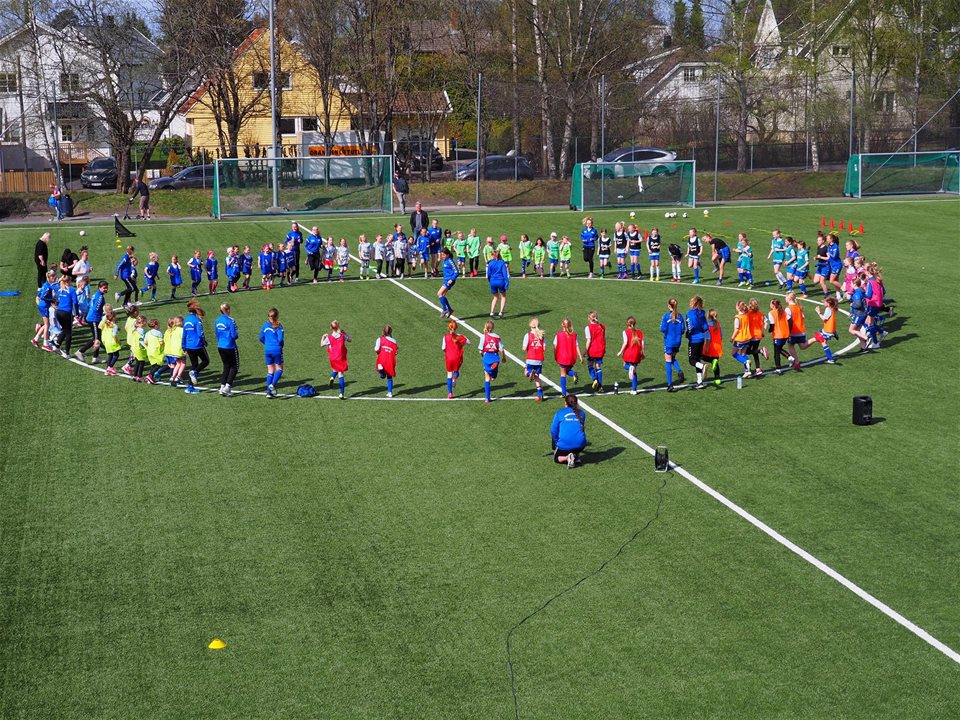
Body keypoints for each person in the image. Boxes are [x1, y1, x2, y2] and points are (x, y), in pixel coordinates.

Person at [550, 394, 586, 468]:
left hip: (564, 446)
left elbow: (553, 431)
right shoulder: (582, 413)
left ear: (565, 403)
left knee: (556, 458)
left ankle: (568, 458)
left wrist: (557, 443)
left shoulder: (559, 413)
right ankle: (576, 456)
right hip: (581, 446)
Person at [76, 279, 108, 362]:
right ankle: (80, 351)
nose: (106, 289)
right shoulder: (100, 297)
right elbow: (95, 308)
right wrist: (104, 312)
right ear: (99, 288)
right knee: (96, 339)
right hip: (94, 319)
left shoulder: (96, 294)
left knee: (98, 338)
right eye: (104, 288)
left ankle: (95, 357)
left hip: (93, 318)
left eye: (106, 288)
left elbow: (89, 304)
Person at [182, 299, 210, 394]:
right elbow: (200, 334)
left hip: (189, 346)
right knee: (206, 361)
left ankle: (190, 386)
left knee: (194, 365)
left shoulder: (186, 320)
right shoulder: (197, 321)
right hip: (197, 345)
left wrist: (183, 346)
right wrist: (204, 341)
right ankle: (195, 372)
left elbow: (184, 334)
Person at [321, 320, 351, 399]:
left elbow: (322, 345)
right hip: (340, 357)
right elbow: (350, 340)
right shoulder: (342, 335)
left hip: (333, 358)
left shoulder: (329, 337)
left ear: (331, 328)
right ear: (338, 327)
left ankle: (332, 377)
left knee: (335, 369)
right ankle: (341, 393)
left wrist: (323, 337)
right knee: (340, 374)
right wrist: (345, 332)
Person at [214, 302, 239, 396]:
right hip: (230, 346)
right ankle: (228, 387)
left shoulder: (217, 320)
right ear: (227, 310)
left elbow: (217, 334)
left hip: (220, 346)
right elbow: (234, 335)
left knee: (226, 366)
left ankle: (221, 387)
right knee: (235, 366)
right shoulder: (230, 321)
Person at [659, 298, 685, 391]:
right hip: (677, 342)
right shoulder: (680, 317)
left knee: (668, 362)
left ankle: (670, 384)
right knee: (672, 358)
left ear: (669, 306)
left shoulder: (666, 316)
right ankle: (679, 371)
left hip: (669, 342)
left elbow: (662, 329)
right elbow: (682, 330)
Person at [259, 308, 284, 399]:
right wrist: (280, 345)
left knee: (270, 371)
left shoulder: (265, 326)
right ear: (277, 316)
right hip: (277, 349)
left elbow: (260, 337)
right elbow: (280, 339)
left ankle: (268, 393)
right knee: (279, 369)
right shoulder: (278, 326)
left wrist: (267, 344)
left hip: (267, 350)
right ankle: (272, 385)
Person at [616, 316, 645, 395]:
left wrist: (620, 351)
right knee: (634, 372)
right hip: (637, 354)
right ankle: (634, 389)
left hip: (628, 353)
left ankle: (629, 368)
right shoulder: (640, 332)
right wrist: (643, 353)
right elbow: (642, 344)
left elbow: (625, 342)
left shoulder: (625, 332)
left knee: (626, 366)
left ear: (627, 323)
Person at [553, 318, 582, 396]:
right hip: (571, 357)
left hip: (562, 357)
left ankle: (563, 393)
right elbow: (577, 346)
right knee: (567, 370)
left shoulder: (558, 334)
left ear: (562, 324)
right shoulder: (574, 335)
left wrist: (555, 355)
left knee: (563, 374)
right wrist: (580, 356)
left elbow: (555, 346)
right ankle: (573, 373)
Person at [442, 319, 469, 399]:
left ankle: (450, 393)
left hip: (449, 358)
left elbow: (443, 348)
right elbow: (468, 342)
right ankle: (455, 378)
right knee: (456, 371)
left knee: (449, 374)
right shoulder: (460, 336)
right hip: (458, 357)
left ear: (448, 328)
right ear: (456, 328)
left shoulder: (445, 337)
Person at [685, 295, 708, 388]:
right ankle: (700, 381)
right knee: (697, 359)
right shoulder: (702, 313)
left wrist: (688, 333)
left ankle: (703, 367)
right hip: (702, 339)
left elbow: (690, 327)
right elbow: (705, 327)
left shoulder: (689, 314)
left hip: (694, 339)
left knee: (692, 360)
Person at [53, 274, 79, 358]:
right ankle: (66, 352)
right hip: (66, 313)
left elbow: (52, 286)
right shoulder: (72, 290)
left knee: (64, 329)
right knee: (69, 333)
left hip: (58, 312)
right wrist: (77, 313)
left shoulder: (59, 289)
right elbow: (75, 302)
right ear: (69, 281)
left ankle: (57, 345)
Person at [480, 319, 505, 403]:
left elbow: (480, 350)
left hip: (486, 356)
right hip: (495, 356)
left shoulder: (483, 336)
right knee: (493, 377)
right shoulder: (497, 337)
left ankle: (487, 398)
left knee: (487, 378)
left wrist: (482, 356)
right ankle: (493, 373)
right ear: (493, 328)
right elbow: (501, 349)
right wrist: (504, 357)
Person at [522, 317, 546, 401]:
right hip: (539, 360)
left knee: (526, 373)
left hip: (530, 358)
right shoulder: (542, 335)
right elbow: (544, 348)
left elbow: (524, 348)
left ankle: (529, 373)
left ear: (530, 325)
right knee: (537, 377)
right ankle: (540, 395)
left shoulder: (527, 335)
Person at [33, 269, 58, 350]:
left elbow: (39, 295)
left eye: (54, 276)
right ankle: (45, 344)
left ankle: (35, 339)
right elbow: (43, 296)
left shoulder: (45, 284)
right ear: (49, 277)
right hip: (44, 306)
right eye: (53, 276)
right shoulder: (47, 286)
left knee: (46, 324)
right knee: (47, 325)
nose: (54, 278)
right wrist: (52, 300)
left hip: (42, 306)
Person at [730, 300, 754, 378]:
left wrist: (732, 338)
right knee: (743, 354)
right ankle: (747, 371)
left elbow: (736, 329)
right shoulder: (746, 315)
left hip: (740, 339)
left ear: (738, 308)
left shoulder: (738, 318)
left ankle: (745, 361)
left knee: (733, 353)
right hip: (747, 338)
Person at [584, 311, 606, 391]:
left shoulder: (588, 328)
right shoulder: (602, 327)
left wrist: (585, 351)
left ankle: (594, 379)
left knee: (590, 365)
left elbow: (588, 341)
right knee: (598, 367)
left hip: (592, 350)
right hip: (601, 350)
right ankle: (600, 386)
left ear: (588, 318)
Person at [767, 299, 791, 374]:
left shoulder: (771, 313)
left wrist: (770, 330)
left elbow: (772, 325)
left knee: (776, 352)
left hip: (778, 335)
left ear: (773, 305)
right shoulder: (783, 311)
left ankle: (778, 368)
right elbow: (790, 321)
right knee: (779, 349)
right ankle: (789, 357)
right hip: (786, 334)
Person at [374, 324, 398, 397]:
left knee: (380, 370)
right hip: (390, 359)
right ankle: (390, 393)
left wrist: (379, 351)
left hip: (382, 358)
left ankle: (381, 373)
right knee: (389, 376)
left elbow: (376, 349)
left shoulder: (380, 339)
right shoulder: (394, 341)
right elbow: (396, 352)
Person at [163, 316, 187, 387]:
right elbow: (184, 339)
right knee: (183, 363)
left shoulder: (172, 330)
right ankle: (178, 376)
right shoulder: (182, 330)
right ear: (180, 323)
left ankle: (173, 377)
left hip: (173, 351)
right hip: (180, 350)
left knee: (178, 364)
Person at [486, 249, 509, 318]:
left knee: (495, 297)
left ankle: (492, 312)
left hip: (493, 281)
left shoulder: (490, 263)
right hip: (500, 281)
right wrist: (507, 282)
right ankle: (501, 312)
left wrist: (490, 281)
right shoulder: (502, 263)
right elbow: (505, 274)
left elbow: (488, 274)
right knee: (503, 296)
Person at [703, 309, 723, 386]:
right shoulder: (718, 324)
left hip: (711, 346)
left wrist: (707, 347)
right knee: (716, 364)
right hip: (718, 347)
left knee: (701, 357)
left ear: (708, 316)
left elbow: (708, 338)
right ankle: (717, 379)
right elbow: (721, 336)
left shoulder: (708, 326)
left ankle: (712, 361)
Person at [100, 307, 123, 376]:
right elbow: (114, 336)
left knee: (110, 355)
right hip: (112, 342)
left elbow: (99, 327)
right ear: (113, 318)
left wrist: (104, 321)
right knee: (116, 355)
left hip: (106, 341)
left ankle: (107, 370)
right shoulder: (114, 326)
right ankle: (110, 367)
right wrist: (118, 342)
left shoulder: (106, 323)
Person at [438, 247, 459, 318]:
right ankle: (450, 309)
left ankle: (445, 309)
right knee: (442, 295)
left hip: (449, 280)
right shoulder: (445, 260)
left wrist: (452, 279)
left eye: (443, 255)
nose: (442, 256)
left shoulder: (450, 261)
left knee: (439, 293)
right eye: (441, 255)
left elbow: (457, 272)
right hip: (446, 279)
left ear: (447, 255)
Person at [143, 318, 165, 384]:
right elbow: (161, 342)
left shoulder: (147, 333)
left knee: (153, 365)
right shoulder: (159, 333)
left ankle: (150, 377)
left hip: (149, 351)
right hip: (157, 351)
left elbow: (145, 342)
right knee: (159, 364)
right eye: (158, 324)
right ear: (156, 325)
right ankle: (150, 375)